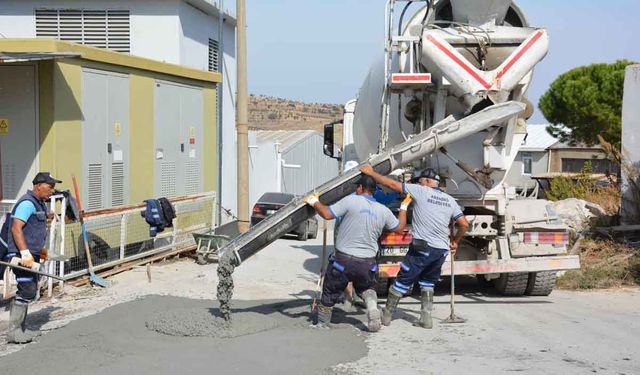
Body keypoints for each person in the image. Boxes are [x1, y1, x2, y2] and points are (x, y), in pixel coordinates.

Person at [360, 165, 469, 329]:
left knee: (403, 279)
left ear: (425, 181)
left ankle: (387, 315)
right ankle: (426, 318)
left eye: (420, 181)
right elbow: (464, 224)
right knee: (428, 282)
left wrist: (371, 173)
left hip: (422, 246)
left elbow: (393, 186)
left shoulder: (421, 190)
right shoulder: (450, 200)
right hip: (440, 250)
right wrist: (455, 241)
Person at [304, 175, 411, 332]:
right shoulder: (383, 210)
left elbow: (326, 214)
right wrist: (403, 207)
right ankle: (373, 307)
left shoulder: (351, 201)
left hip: (343, 262)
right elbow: (400, 228)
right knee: (367, 289)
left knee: (330, 290)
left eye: (357, 187)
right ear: (374, 191)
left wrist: (314, 201)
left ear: (360, 188)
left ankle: (322, 324)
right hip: (368, 263)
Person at [4, 172, 61, 343]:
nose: (52, 190)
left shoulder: (39, 203)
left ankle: (21, 328)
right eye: (50, 187)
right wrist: (25, 253)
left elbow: (33, 229)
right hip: (22, 255)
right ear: (39, 186)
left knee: (29, 290)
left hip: (31, 254)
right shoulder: (27, 203)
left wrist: (38, 251)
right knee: (27, 290)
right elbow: (16, 228)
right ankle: (14, 332)